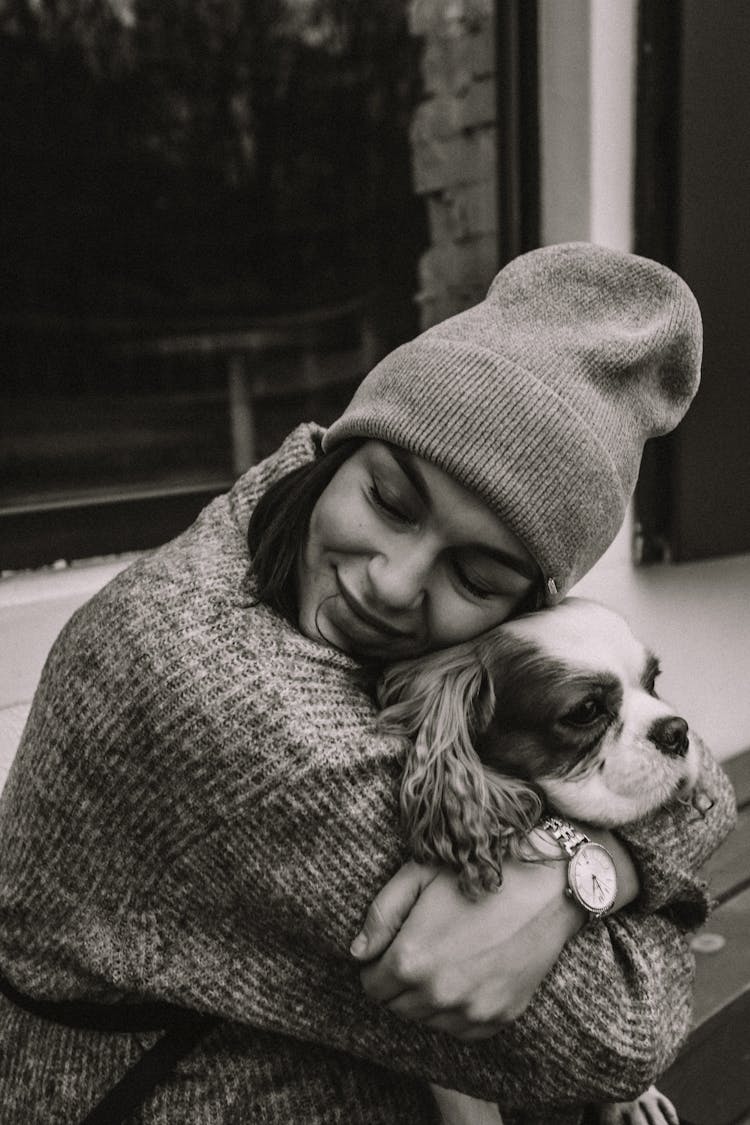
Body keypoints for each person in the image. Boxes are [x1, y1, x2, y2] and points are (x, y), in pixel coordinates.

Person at [0, 243, 736, 1125]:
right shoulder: (227, 697)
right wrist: (593, 873)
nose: (391, 583)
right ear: (342, 452)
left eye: (473, 572)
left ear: (526, 607)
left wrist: (592, 869)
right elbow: (613, 1030)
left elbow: (695, 779)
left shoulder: (291, 533)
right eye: (390, 498)